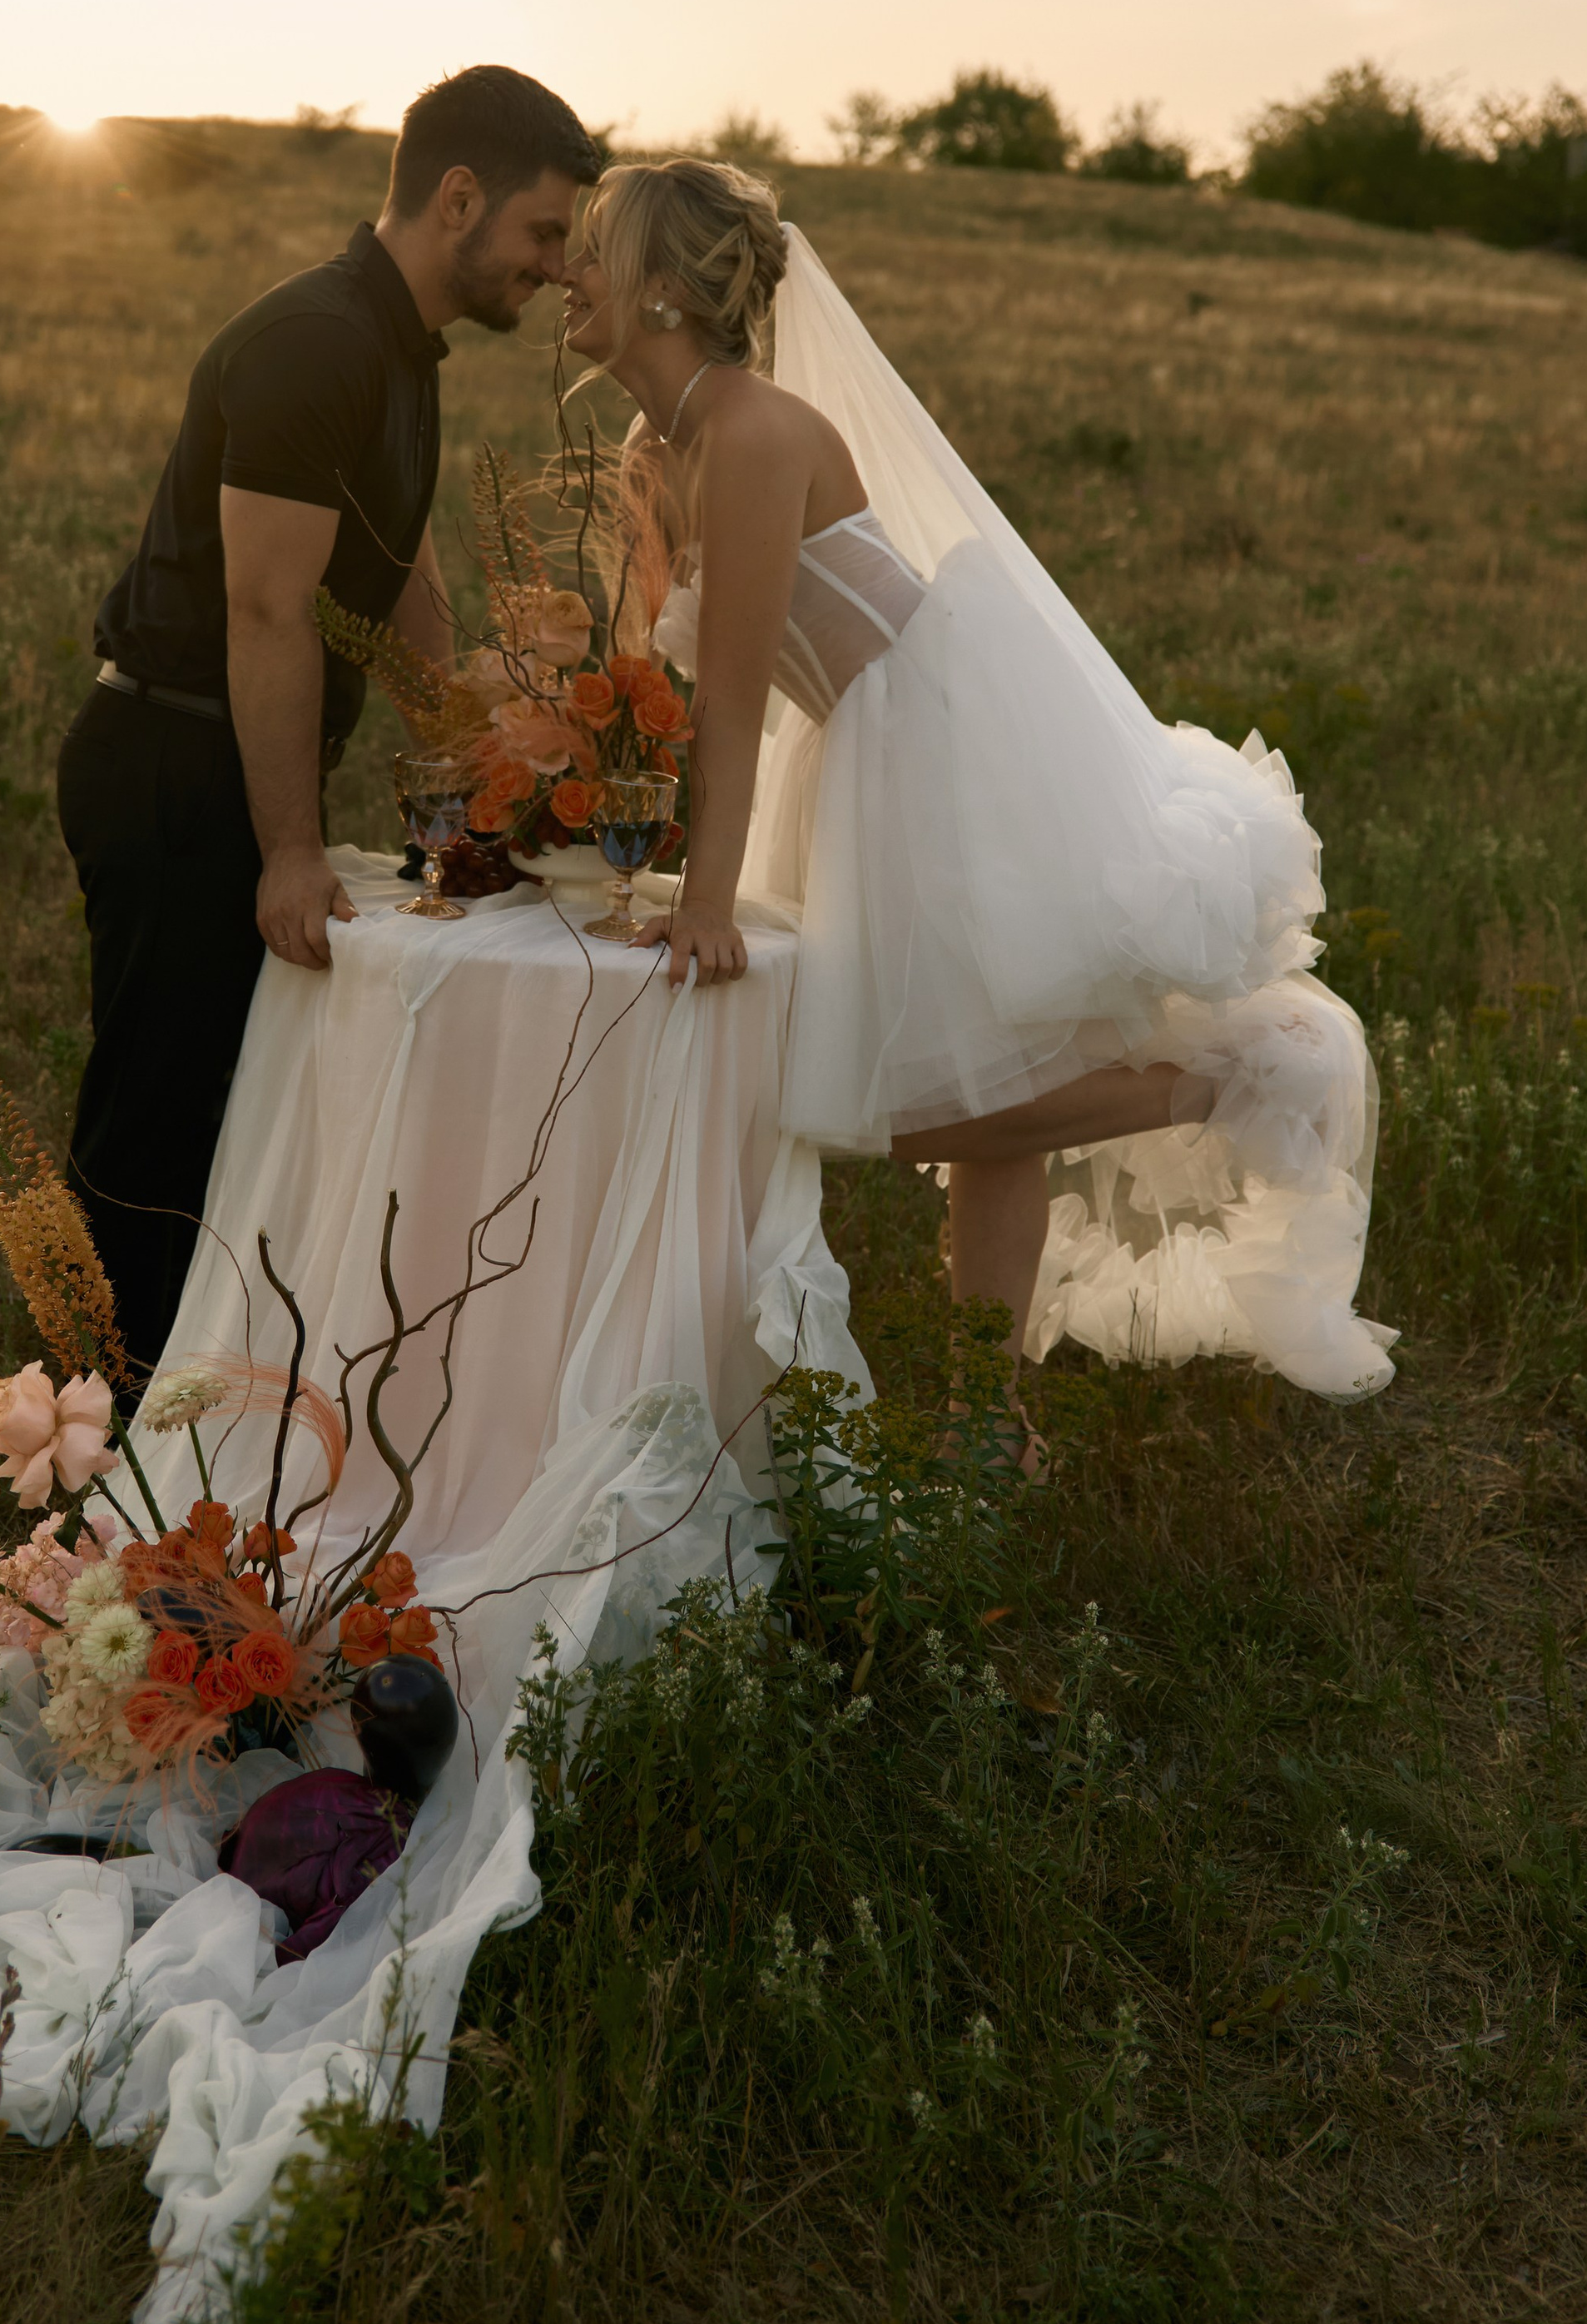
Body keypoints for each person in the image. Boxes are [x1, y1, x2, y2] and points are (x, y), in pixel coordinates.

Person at [558, 158, 1395, 1456]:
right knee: (993, 1071)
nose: (565, 267)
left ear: (664, 287)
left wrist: (711, 902)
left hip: (934, 735)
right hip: (851, 743)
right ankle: (986, 1427)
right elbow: (641, 688)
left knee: (929, 1106)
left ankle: (1229, 1074)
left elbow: (727, 698)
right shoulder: (648, 447)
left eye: (592, 249)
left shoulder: (759, 434)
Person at [57, 67, 601, 1388]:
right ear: (456, 198)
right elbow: (265, 609)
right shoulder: (320, 342)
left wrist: (489, 753)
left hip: (222, 753)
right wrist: (291, 851)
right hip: (177, 759)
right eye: (541, 234)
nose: (552, 269)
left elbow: (397, 559)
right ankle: (91, 1418)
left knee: (230, 1106)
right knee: (160, 1117)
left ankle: (178, 1408)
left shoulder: (397, 347)